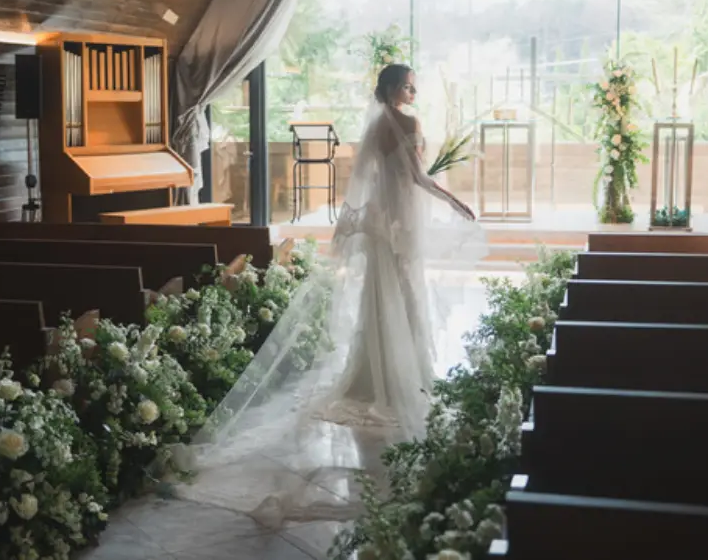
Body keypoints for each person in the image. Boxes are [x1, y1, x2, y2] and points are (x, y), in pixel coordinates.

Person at [172, 64, 488, 530]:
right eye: (408, 85)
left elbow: (373, 181)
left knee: (385, 299)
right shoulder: (407, 123)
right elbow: (417, 179)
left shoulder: (377, 124)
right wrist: (455, 201)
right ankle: (403, 378)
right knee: (403, 297)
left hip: (383, 224)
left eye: (413, 85)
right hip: (401, 224)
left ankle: (374, 375)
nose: (413, 91)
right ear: (393, 88)